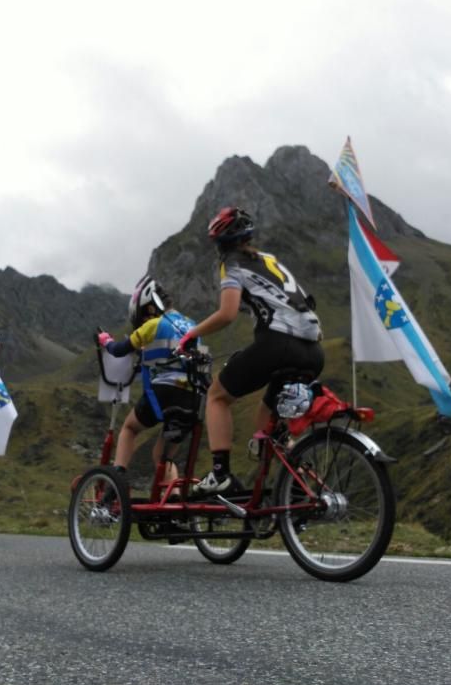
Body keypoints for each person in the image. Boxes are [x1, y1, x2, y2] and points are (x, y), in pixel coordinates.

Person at [178, 206, 324, 495]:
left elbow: (228, 313)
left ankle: (220, 474)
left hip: (278, 345)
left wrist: (191, 335)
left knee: (217, 396)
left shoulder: (231, 264)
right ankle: (297, 492)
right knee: (268, 424)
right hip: (314, 351)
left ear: (219, 244)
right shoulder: (271, 261)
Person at [98, 275, 202, 495]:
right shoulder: (192, 325)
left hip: (165, 392)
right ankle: (172, 500)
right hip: (193, 397)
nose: (142, 323)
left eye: (142, 318)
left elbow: (118, 350)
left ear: (148, 310)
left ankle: (116, 483)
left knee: (129, 428)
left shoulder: (154, 324)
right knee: (163, 457)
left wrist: (106, 340)